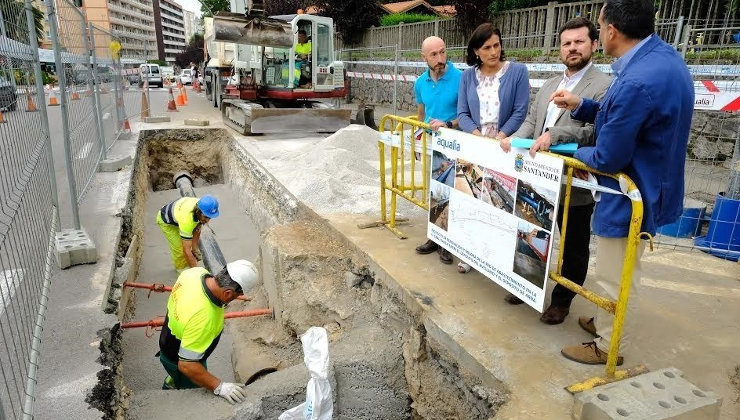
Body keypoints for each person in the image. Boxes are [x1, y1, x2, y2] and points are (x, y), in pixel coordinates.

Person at [550, 0, 693, 364]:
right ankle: (604, 319)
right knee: (621, 268)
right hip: (655, 182)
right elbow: (623, 118)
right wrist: (582, 105)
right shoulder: (664, 60)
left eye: (599, 26)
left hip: (633, 191)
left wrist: (567, 153)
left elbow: (607, 156)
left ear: (611, 30)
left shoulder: (637, 79)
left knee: (617, 274)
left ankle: (609, 347)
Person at [502, 17, 612, 325]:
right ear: (560, 48)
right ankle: (526, 284)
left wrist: (558, 136)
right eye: (567, 43)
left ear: (594, 44)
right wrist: (510, 138)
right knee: (532, 233)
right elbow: (532, 123)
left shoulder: (605, 86)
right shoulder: (550, 85)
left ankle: (562, 301)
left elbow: (597, 131)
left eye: (579, 42)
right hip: (538, 178)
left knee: (574, 246)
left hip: (574, 183)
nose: (572, 48)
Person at [457, 22, 530, 273]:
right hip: (476, 146)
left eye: (496, 45)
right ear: (476, 51)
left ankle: (499, 260)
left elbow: (521, 110)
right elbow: (462, 112)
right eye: (486, 47)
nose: (493, 51)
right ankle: (470, 252)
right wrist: (477, 136)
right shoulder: (467, 76)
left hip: (504, 147)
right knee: (474, 200)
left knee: (501, 203)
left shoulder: (517, 72)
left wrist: (500, 136)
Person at [158, 260, 259, 403]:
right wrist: (219, 386)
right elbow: (187, 365)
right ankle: (175, 386)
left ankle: (174, 378)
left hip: (168, 337)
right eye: (237, 295)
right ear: (228, 293)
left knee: (180, 371)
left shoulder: (195, 273)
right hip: (180, 359)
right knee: (194, 396)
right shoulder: (204, 318)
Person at [413, 36, 462, 265]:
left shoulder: (460, 79)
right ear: (424, 58)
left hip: (456, 146)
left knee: (454, 195)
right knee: (436, 192)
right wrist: (417, 139)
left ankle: (448, 244)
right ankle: (435, 237)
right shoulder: (420, 83)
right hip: (433, 146)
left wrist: (449, 123)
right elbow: (421, 114)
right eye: (434, 55)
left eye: (443, 52)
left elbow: (466, 116)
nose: (440, 59)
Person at [157, 195, 220, 272]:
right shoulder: (187, 221)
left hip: (179, 215)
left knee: (193, 235)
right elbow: (186, 250)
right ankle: (181, 269)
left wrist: (195, 249)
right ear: (198, 211)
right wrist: (197, 272)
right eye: (206, 217)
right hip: (167, 222)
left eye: (209, 217)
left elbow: (197, 228)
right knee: (179, 249)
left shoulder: (202, 205)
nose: (207, 221)